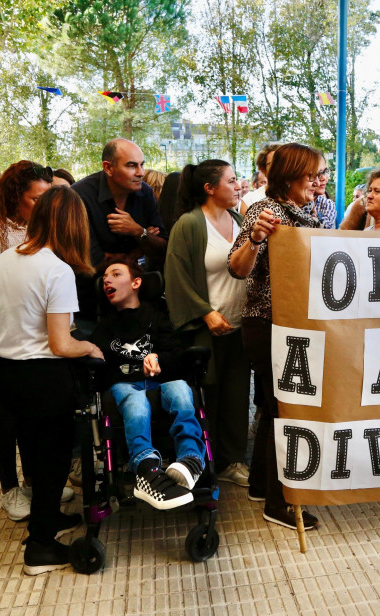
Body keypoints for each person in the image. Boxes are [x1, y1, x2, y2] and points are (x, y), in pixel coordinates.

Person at [0, 186, 102, 575]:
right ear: (73, 225)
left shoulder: (2, 260)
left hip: (5, 372)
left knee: (32, 455)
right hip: (44, 376)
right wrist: (89, 348)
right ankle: (40, 549)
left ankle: (45, 519)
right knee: (51, 461)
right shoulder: (56, 270)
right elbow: (60, 343)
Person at [228, 142, 322, 530]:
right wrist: (255, 239)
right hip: (269, 323)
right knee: (286, 409)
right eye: (311, 175)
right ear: (290, 176)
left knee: (273, 406)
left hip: (290, 323)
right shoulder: (267, 213)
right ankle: (279, 501)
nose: (318, 182)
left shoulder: (305, 211)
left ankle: (261, 484)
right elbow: (236, 267)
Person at [0, 161, 61, 522]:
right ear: (16, 195)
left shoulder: (39, 225)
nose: (43, 204)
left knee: (32, 413)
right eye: (37, 198)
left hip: (31, 334)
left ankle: (34, 481)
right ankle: (9, 489)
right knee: (3, 417)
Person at [91, 259, 207, 509]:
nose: (106, 280)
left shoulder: (158, 316)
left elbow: (177, 355)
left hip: (160, 381)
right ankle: (146, 468)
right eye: (104, 277)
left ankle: (191, 460)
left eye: (116, 273)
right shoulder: (104, 328)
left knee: (180, 389)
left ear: (136, 282)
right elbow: (101, 370)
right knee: (135, 402)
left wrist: (158, 358)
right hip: (126, 387)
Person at [165, 160, 251, 487]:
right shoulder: (189, 225)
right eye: (231, 181)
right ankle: (205, 462)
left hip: (239, 325)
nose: (238, 185)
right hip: (207, 327)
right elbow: (177, 277)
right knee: (209, 397)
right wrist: (205, 312)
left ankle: (233, 461)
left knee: (237, 394)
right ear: (210, 188)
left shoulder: (240, 220)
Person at [71, 138, 168, 269]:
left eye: (142, 165)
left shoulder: (145, 192)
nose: (141, 173)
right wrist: (139, 249)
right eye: (132, 166)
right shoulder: (79, 195)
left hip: (134, 283)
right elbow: (89, 258)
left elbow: (163, 249)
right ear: (108, 168)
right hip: (88, 284)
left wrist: (138, 231)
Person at [240, 143, 281, 213]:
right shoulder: (250, 200)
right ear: (263, 169)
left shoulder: (301, 197)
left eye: (283, 162)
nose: (279, 167)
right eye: (273, 163)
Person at [304, 165, 336, 229]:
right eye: (316, 173)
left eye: (325, 172)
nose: (323, 178)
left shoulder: (327, 204)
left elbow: (323, 229)